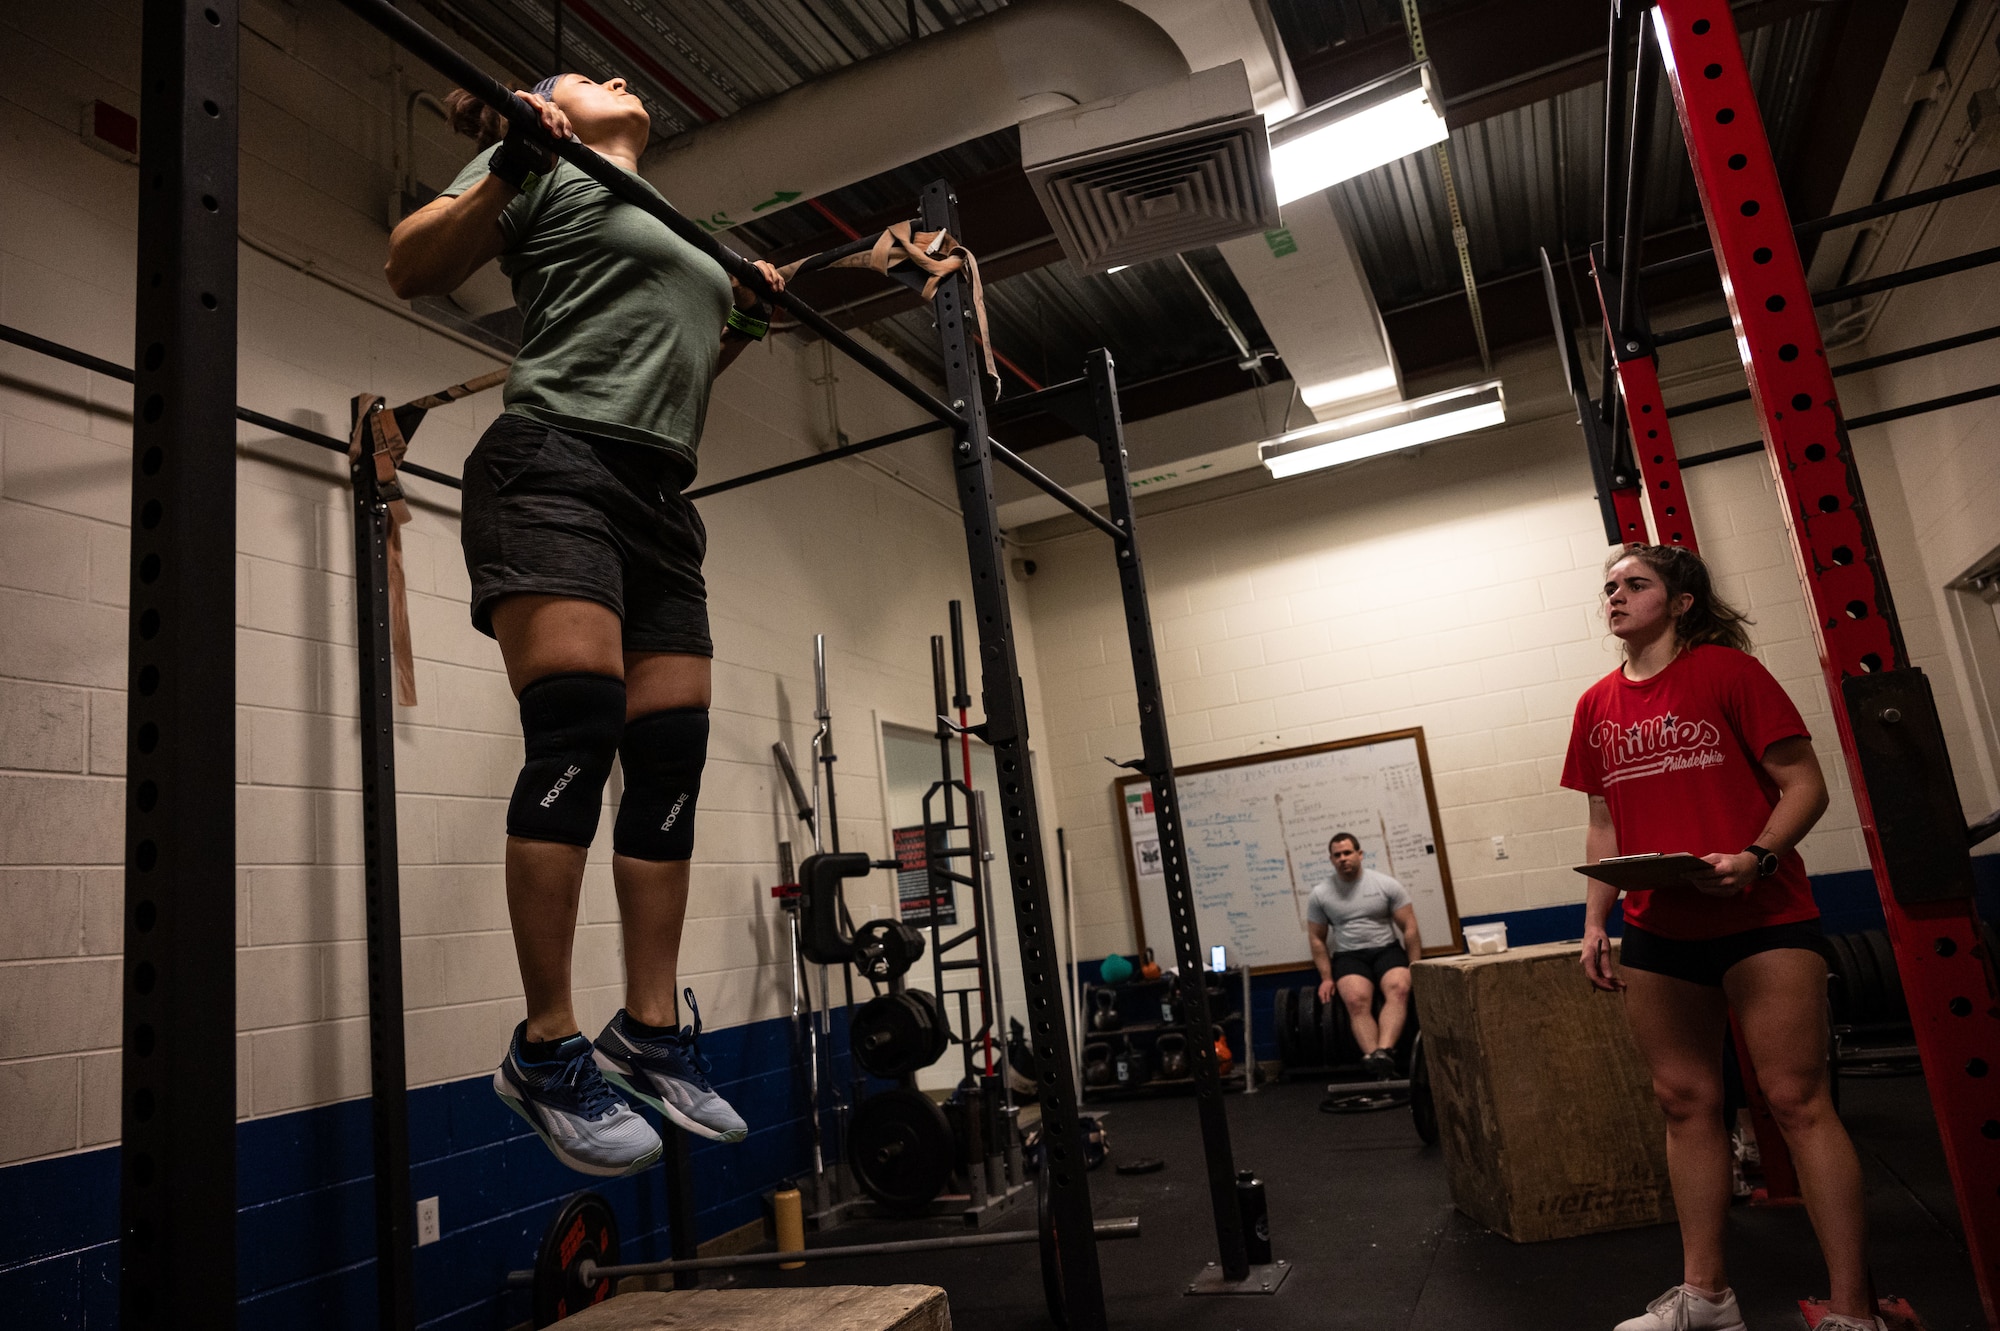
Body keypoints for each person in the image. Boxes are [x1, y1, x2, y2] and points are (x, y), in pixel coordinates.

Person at [385, 73, 785, 1176]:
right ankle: (546, 1042)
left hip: (659, 496)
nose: (617, 80)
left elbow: (673, 357)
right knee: (579, 724)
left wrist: (741, 313)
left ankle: (647, 1030)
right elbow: (411, 262)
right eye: (589, 73)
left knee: (669, 755)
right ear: (550, 100)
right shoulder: (540, 157)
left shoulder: (679, 231)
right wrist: (514, 149)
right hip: (552, 463)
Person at [1566, 544, 1882, 1331]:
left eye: (1636, 583)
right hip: (1658, 926)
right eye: (1608, 586)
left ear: (1679, 602)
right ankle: (1706, 1298)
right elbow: (1602, 822)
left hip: (1763, 915)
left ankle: (1852, 1310)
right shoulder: (1596, 704)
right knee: (1684, 1101)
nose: (1616, 595)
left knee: (1794, 1099)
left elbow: (1806, 783)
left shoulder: (1729, 675)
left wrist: (1757, 857)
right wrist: (1595, 920)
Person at [1305, 832, 1422, 1077]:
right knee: (1356, 1001)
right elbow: (1317, 938)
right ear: (1331, 859)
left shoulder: (1386, 885)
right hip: (1349, 956)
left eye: (1347, 853)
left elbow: (1409, 927)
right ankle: (1376, 1062)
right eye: (1337, 855)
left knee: (1399, 989)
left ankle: (1383, 1052)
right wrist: (1326, 977)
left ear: (1360, 854)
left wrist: (1416, 966)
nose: (1343, 859)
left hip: (1386, 951)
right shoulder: (1321, 894)